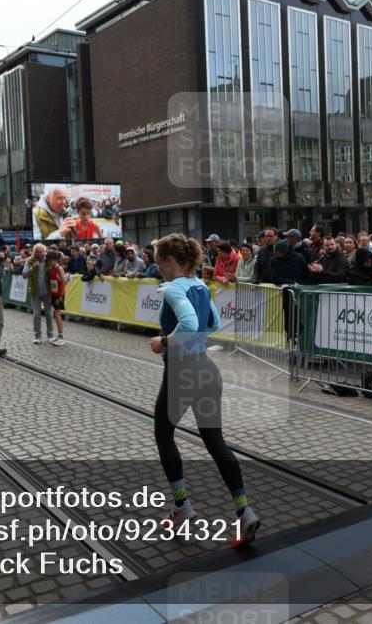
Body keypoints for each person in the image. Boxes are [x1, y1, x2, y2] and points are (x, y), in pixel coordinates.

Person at [149, 233, 258, 546]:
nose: (158, 270)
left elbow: (187, 323)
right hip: (207, 371)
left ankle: (182, 506)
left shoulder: (172, 288)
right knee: (215, 442)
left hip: (182, 374)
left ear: (170, 262)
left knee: (163, 434)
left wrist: (164, 342)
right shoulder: (200, 285)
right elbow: (212, 323)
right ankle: (244, 512)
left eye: (159, 263)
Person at [24, 243, 58, 345]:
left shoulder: (48, 260)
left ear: (44, 252)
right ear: (34, 252)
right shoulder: (30, 261)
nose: (39, 254)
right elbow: (24, 275)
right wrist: (32, 269)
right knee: (36, 314)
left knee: (48, 313)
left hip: (47, 292)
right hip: (35, 291)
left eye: (40, 252)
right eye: (36, 252)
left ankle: (50, 335)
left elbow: (57, 268)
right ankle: (37, 336)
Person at [46, 249, 67, 345]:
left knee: (57, 315)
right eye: (48, 261)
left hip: (59, 295)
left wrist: (61, 296)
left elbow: (64, 281)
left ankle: (61, 337)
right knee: (55, 315)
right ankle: (59, 336)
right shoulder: (51, 268)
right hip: (54, 294)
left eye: (50, 260)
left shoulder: (59, 269)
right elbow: (51, 283)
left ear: (55, 260)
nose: (49, 262)